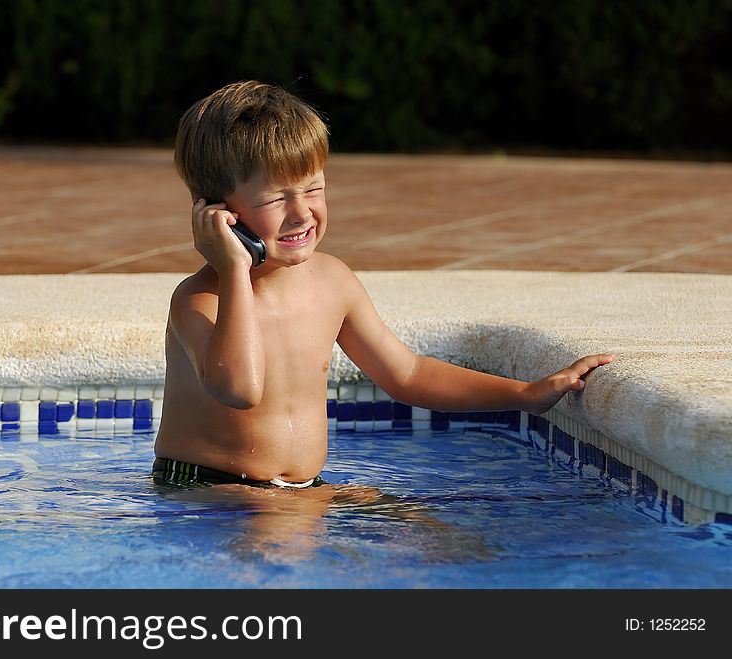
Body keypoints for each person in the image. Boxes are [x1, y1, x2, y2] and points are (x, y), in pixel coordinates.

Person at [153, 79, 615, 490]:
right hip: (208, 489)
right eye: (275, 199)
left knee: (428, 538)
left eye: (314, 189)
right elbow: (240, 389)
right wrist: (234, 269)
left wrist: (524, 395)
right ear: (215, 213)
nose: (301, 213)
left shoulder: (331, 282)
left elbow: (407, 374)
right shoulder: (200, 301)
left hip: (298, 491)